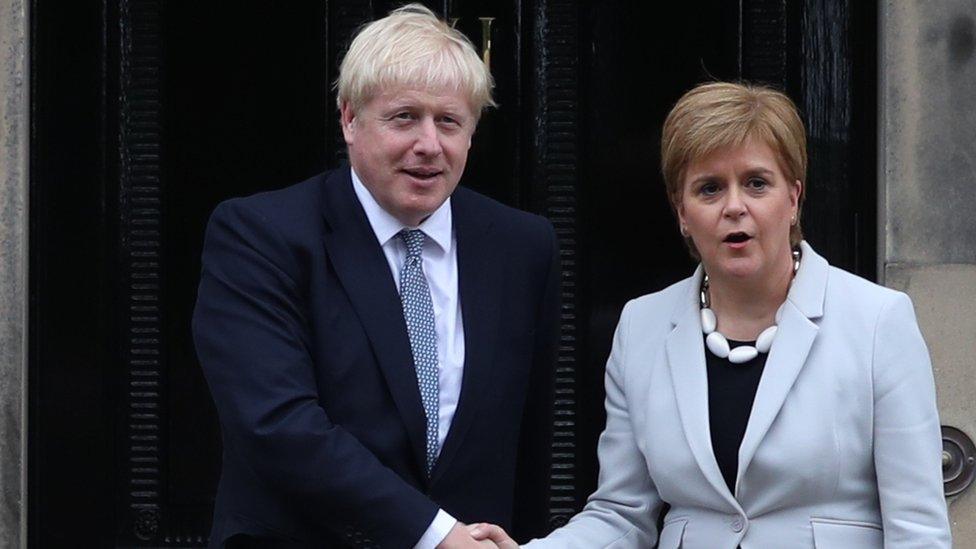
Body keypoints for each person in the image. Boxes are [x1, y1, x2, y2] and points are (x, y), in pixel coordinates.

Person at [471, 82, 952, 548]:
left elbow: (918, 527)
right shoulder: (642, 326)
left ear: (794, 198)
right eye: (709, 189)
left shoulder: (877, 321)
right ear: (681, 211)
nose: (734, 207)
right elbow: (621, 513)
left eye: (757, 183)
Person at [192, 5, 559, 547]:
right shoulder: (259, 235)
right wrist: (435, 534)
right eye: (404, 117)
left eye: (449, 121)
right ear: (349, 119)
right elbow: (276, 425)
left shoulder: (521, 245)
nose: (429, 144)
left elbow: (530, 443)